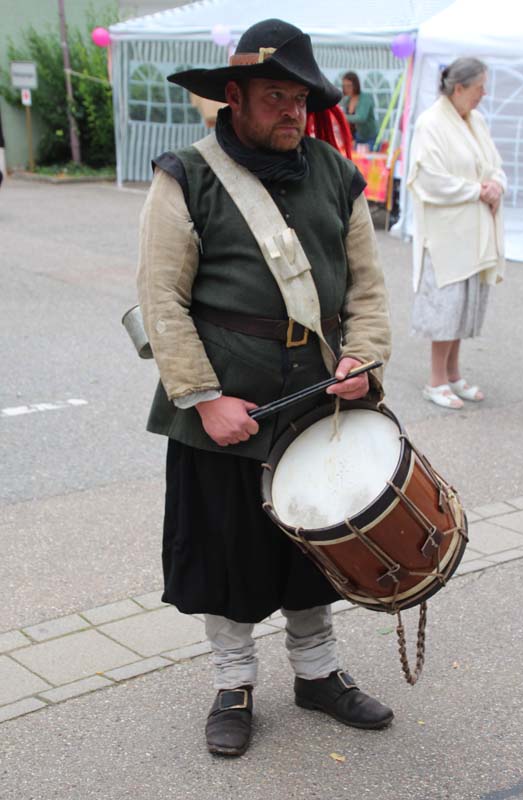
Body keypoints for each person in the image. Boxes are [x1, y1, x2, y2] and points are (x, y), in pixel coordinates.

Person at [137, 18, 392, 757]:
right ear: (235, 96)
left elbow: (367, 289)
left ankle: (317, 673)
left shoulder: (337, 174)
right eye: (276, 96)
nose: (292, 111)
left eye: (301, 99)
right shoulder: (185, 176)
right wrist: (202, 398)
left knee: (316, 546)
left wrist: (363, 358)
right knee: (227, 553)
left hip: (316, 398)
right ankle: (233, 683)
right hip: (224, 405)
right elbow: (161, 300)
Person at [407, 58, 506, 409]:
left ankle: (453, 374)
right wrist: (477, 190)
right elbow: (429, 179)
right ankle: (435, 381)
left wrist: (495, 185)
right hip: (446, 234)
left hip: (475, 231)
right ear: (459, 87)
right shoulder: (431, 122)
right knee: (446, 307)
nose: (484, 94)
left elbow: (494, 165)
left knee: (464, 305)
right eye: (480, 87)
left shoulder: (476, 121)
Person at [340, 71, 378, 150]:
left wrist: (341, 116)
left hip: (369, 137)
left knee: (366, 156)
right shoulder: (347, 100)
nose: (346, 89)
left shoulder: (365, 98)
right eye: (344, 86)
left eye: (349, 86)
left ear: (356, 85)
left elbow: (361, 118)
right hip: (356, 137)